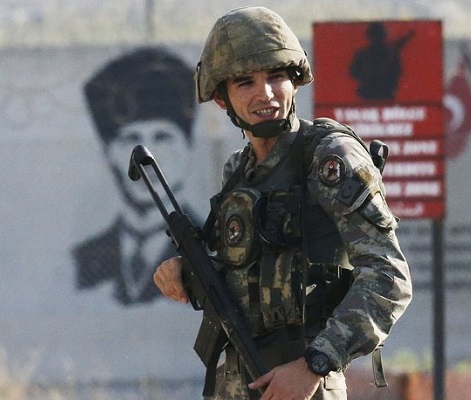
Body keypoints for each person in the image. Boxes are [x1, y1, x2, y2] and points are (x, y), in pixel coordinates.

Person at [153, 6, 412, 399]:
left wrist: (315, 364)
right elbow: (246, 276)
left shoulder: (329, 158)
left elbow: (388, 277)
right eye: (246, 82)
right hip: (238, 382)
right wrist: (186, 271)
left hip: (305, 385)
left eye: (276, 77)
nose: (266, 94)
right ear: (222, 99)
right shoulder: (238, 171)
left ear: (295, 81)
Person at [73, 47, 197, 305]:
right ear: (108, 154)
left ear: (188, 147)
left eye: (162, 137)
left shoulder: (213, 247)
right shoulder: (81, 261)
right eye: (130, 138)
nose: (146, 156)